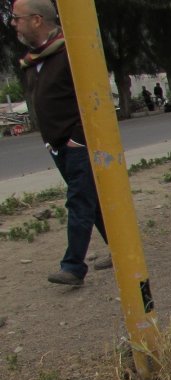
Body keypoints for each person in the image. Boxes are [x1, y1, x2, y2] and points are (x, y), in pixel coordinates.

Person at [13, 0, 111, 287]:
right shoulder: (34, 60)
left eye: (17, 18)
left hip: (77, 143)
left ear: (36, 20)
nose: (13, 24)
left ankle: (73, 267)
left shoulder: (72, 52)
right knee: (93, 202)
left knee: (80, 199)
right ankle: (120, 250)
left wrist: (77, 139)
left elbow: (94, 98)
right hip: (57, 144)